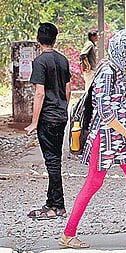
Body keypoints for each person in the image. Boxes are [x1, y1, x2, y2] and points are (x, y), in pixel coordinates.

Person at [59, 29, 126, 249]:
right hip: (105, 137)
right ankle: (68, 234)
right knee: (93, 183)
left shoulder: (119, 69)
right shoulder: (107, 71)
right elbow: (105, 113)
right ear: (123, 49)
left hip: (120, 137)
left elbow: (119, 103)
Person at [25, 22, 71, 220]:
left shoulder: (40, 62)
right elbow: (68, 90)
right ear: (55, 39)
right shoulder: (63, 60)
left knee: (52, 162)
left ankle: (56, 206)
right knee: (55, 161)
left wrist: (34, 122)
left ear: (38, 40)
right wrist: (63, 109)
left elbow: (40, 93)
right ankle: (53, 203)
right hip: (60, 116)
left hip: (47, 118)